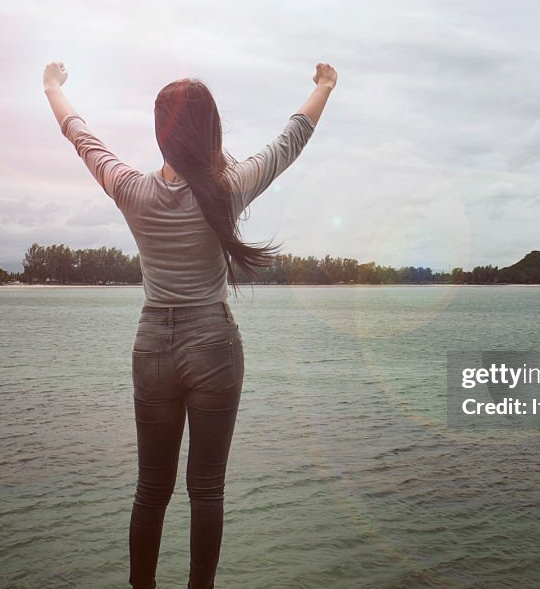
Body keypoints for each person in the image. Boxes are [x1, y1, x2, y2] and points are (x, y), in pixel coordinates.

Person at [43, 60, 337, 588]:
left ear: (160, 133)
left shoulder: (131, 189)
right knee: (207, 490)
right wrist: (323, 86)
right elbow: (291, 140)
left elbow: (81, 137)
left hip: (152, 346)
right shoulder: (229, 186)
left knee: (150, 490)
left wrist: (52, 87)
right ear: (212, 130)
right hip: (215, 345)